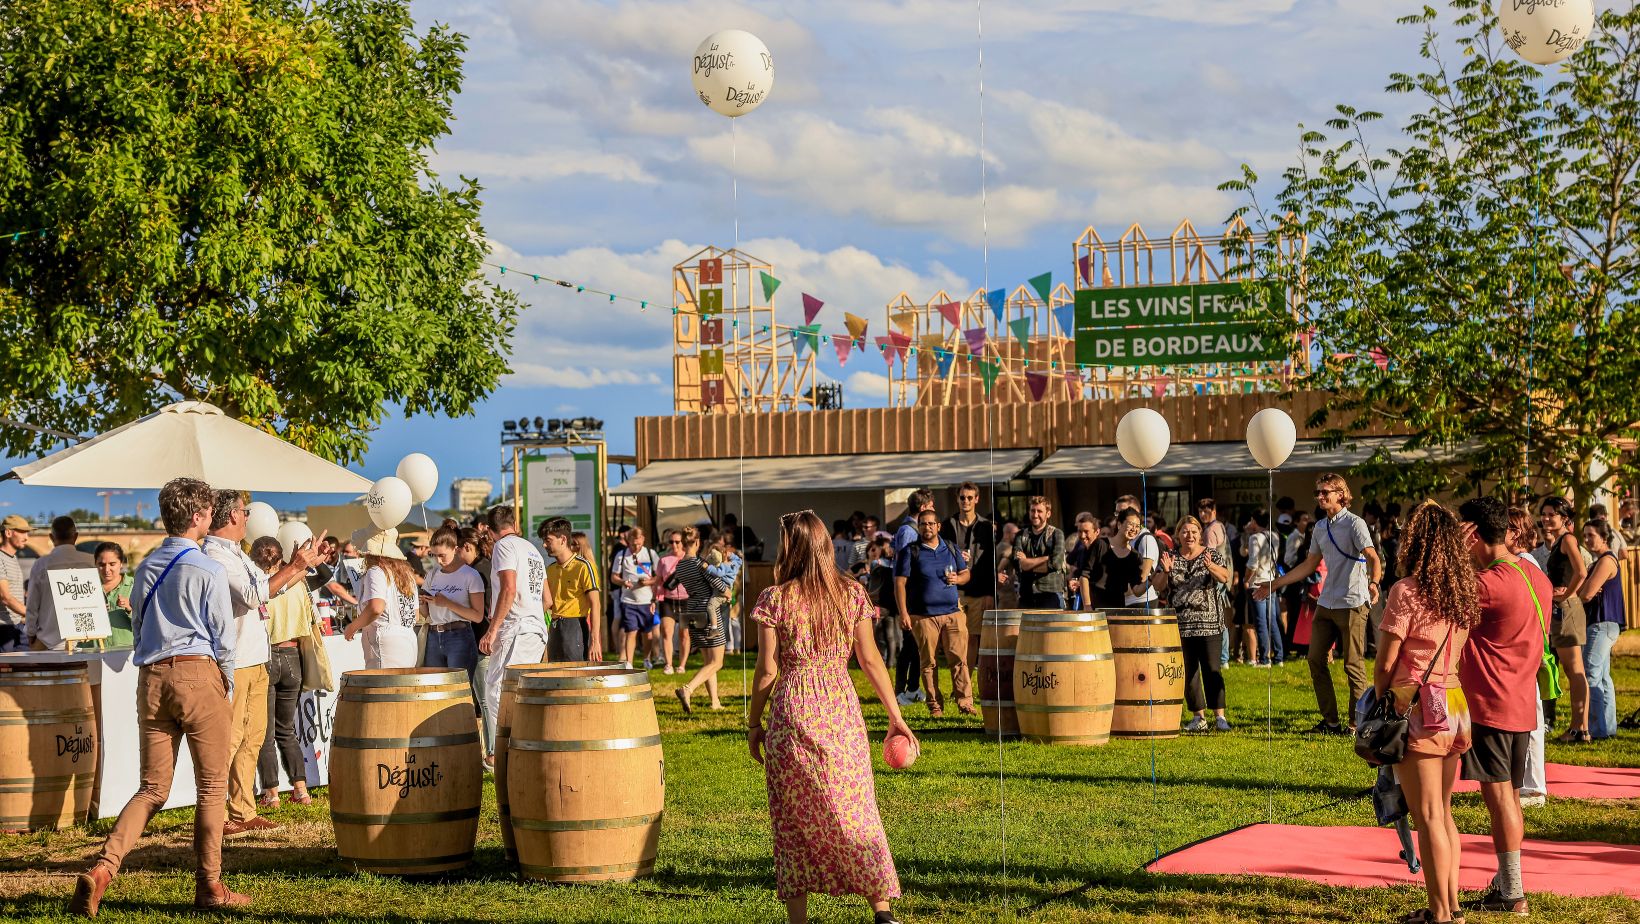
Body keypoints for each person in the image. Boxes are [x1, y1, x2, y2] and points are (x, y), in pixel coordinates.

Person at [70, 477, 247, 916]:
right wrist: (223, 680)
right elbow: (223, 638)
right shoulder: (209, 568)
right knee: (211, 786)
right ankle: (209, 885)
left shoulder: (146, 566)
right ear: (199, 517)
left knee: (151, 788)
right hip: (197, 672)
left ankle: (104, 869)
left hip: (151, 678)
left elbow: (141, 625)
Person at [745, 510, 914, 924]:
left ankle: (798, 920)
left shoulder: (775, 598)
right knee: (856, 806)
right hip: (840, 706)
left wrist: (753, 723)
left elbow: (768, 670)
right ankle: (882, 911)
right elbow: (871, 659)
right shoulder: (852, 592)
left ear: (792, 548)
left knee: (793, 820)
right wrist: (896, 717)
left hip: (793, 708)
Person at [1371, 501, 1478, 924]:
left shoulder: (1407, 591)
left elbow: (1384, 663)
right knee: (1443, 812)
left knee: (1428, 815)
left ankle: (1439, 914)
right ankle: (1450, 905)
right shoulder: (1462, 592)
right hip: (1453, 703)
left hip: (1416, 704)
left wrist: (1382, 698)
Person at [202, 492, 317, 838]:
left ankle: (243, 811)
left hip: (257, 659)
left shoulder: (237, 554)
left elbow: (270, 589)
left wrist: (304, 566)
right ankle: (216, 814)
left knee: (252, 739)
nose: (248, 517)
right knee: (230, 740)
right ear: (232, 516)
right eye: (244, 511)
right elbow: (254, 596)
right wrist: (296, 567)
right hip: (234, 661)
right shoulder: (214, 556)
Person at [1456, 497, 1550, 917]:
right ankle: (1506, 882)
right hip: (1520, 701)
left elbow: (1433, 599)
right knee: (1510, 797)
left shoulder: (1489, 584)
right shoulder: (1534, 575)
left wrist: (1454, 555)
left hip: (1490, 705)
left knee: (1499, 801)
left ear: (1473, 534)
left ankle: (1513, 892)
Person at [1255, 473, 1383, 734]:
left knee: (1353, 665)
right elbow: (1309, 564)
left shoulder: (1355, 524)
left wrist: (1374, 582)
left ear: (1341, 494)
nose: (1320, 497)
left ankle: (1355, 724)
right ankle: (1331, 721)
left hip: (1353, 602)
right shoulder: (1320, 528)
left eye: (1325, 492)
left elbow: (1373, 557)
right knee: (1315, 659)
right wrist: (1275, 584)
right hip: (1327, 602)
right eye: (1318, 493)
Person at [479, 506, 555, 735]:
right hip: (535, 629)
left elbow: (509, 589)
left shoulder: (504, 546)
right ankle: (522, 743)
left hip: (517, 628)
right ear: (514, 524)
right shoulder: (532, 549)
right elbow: (548, 600)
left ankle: (508, 749)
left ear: (491, 531)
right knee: (520, 691)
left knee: (496, 690)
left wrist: (492, 630)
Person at [255, 537, 317, 809]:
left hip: (266, 656)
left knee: (265, 732)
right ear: (280, 557)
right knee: (286, 729)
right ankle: (301, 789)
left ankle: (271, 792)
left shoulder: (261, 587)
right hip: (293, 655)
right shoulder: (297, 585)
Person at [894, 507, 973, 718]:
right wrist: (904, 613)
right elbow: (900, 584)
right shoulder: (910, 551)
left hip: (953, 613)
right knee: (928, 663)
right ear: (918, 527)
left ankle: (965, 702)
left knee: (959, 660)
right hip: (923, 616)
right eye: (923, 524)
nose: (927, 527)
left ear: (938, 526)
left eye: (931, 523)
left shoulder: (951, 547)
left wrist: (959, 579)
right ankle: (935, 705)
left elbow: (965, 573)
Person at [1158, 516, 1232, 732]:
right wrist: (1166, 571)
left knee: (1211, 669)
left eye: (1193, 532)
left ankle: (1220, 716)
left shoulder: (1211, 555)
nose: (1189, 535)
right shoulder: (1169, 557)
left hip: (1209, 624)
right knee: (1188, 672)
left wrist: (1210, 567)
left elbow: (1225, 577)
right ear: (1178, 534)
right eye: (1184, 531)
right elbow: (1158, 586)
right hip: (1181, 625)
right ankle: (1198, 717)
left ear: (1200, 534)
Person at [1503, 506, 1549, 807]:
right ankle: (1524, 783)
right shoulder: (1518, 562)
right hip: (1521, 653)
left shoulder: (1525, 563)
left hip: (1525, 653)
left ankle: (1534, 787)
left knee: (1531, 721)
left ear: (1516, 532)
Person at [1538, 496, 1588, 740]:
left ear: (1564, 518)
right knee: (1570, 669)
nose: (1546, 518)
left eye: (1552, 515)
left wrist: (1567, 594)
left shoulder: (1567, 539)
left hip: (1567, 608)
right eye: (1544, 514)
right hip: (1561, 608)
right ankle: (1579, 728)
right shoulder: (1558, 541)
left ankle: (1580, 728)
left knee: (1574, 669)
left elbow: (1582, 571)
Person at [665, 526, 731, 713]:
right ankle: (688, 689)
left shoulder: (680, 565)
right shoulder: (700, 563)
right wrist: (727, 592)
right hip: (707, 611)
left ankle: (715, 702)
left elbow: (669, 584)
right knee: (717, 662)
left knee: (708, 660)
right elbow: (718, 583)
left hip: (690, 610)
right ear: (697, 542)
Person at [1577, 519, 1624, 741]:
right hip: (1603, 623)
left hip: (1602, 622)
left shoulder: (1606, 560)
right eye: (1584, 535)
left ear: (1604, 537)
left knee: (1591, 674)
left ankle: (1597, 728)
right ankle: (1607, 727)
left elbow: (1586, 593)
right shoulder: (1600, 561)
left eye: (1591, 535)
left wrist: (1572, 596)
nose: (1586, 539)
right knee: (1603, 676)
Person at [941, 481, 996, 668]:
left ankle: (967, 681)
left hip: (979, 590)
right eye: (962, 497)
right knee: (954, 638)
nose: (966, 501)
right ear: (957, 499)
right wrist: (956, 555)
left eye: (970, 498)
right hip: (953, 589)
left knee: (973, 638)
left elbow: (990, 562)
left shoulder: (986, 526)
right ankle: (959, 680)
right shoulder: (948, 524)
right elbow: (941, 554)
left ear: (977, 500)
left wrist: (990, 593)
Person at [420, 528, 486, 678]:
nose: (438, 560)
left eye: (442, 555)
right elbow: (427, 614)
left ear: (455, 549)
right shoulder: (432, 573)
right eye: (434, 555)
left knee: (458, 688)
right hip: (433, 636)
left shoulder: (471, 575)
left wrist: (447, 603)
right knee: (434, 688)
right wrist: (422, 603)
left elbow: (477, 616)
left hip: (460, 636)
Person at [24, 516, 95, 650]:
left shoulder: (41, 564)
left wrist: (30, 633)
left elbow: (32, 604)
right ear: (76, 536)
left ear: (51, 537)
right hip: (86, 640)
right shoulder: (91, 561)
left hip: (48, 641)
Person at [539, 517, 595, 663]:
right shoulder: (549, 569)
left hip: (575, 626)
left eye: (548, 540)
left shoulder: (583, 566)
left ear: (563, 539)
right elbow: (547, 602)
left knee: (575, 677)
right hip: (555, 626)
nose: (544, 545)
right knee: (555, 675)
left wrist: (595, 641)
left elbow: (596, 604)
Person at [1009, 497, 1068, 609]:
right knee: (1025, 627)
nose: (1035, 515)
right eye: (1032, 510)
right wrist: (1046, 558)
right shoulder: (1020, 535)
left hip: (1051, 595)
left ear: (1048, 514)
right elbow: (1018, 564)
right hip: (1027, 596)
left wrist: (1027, 563)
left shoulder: (1057, 534)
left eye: (1039, 511)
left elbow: (1056, 564)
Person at [1241, 512, 1282, 666]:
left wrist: (1246, 579)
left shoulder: (1254, 538)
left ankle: (1264, 659)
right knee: (1272, 620)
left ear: (1255, 521)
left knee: (1261, 622)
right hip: (1271, 580)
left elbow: (1252, 563)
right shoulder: (1275, 536)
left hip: (1257, 582)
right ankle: (1279, 657)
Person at [656, 529, 691, 675]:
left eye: (677, 541)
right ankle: (668, 664)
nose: (674, 544)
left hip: (686, 600)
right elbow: (658, 581)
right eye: (671, 542)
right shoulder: (663, 560)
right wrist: (655, 599)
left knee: (685, 634)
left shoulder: (689, 559)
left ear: (683, 542)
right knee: (666, 632)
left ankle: (682, 665)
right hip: (668, 600)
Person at [1117, 508, 1161, 608]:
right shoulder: (1129, 539)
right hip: (1128, 601)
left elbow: (1142, 579)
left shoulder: (1146, 539)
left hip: (1142, 602)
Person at [94, 543, 134, 650]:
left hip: (126, 654)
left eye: (112, 564)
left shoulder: (135, 586)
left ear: (121, 563)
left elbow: (148, 623)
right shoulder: (86, 589)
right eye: (101, 565)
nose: (106, 569)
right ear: (95, 564)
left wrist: (129, 609)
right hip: (93, 653)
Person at [0, 514, 29, 650]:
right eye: (22, 532)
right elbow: (5, 597)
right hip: (4, 629)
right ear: (8, 532)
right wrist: (32, 614)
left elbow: (14, 592)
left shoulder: (13, 558)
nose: (26, 537)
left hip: (18, 626)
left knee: (23, 669)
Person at [1066, 512, 1101, 612]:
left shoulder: (1101, 547)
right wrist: (1077, 581)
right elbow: (1070, 561)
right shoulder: (1081, 546)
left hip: (1098, 603)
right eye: (1079, 531)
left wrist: (1080, 583)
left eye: (1086, 531)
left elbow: (1101, 578)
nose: (1082, 535)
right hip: (1085, 600)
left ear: (1097, 532)